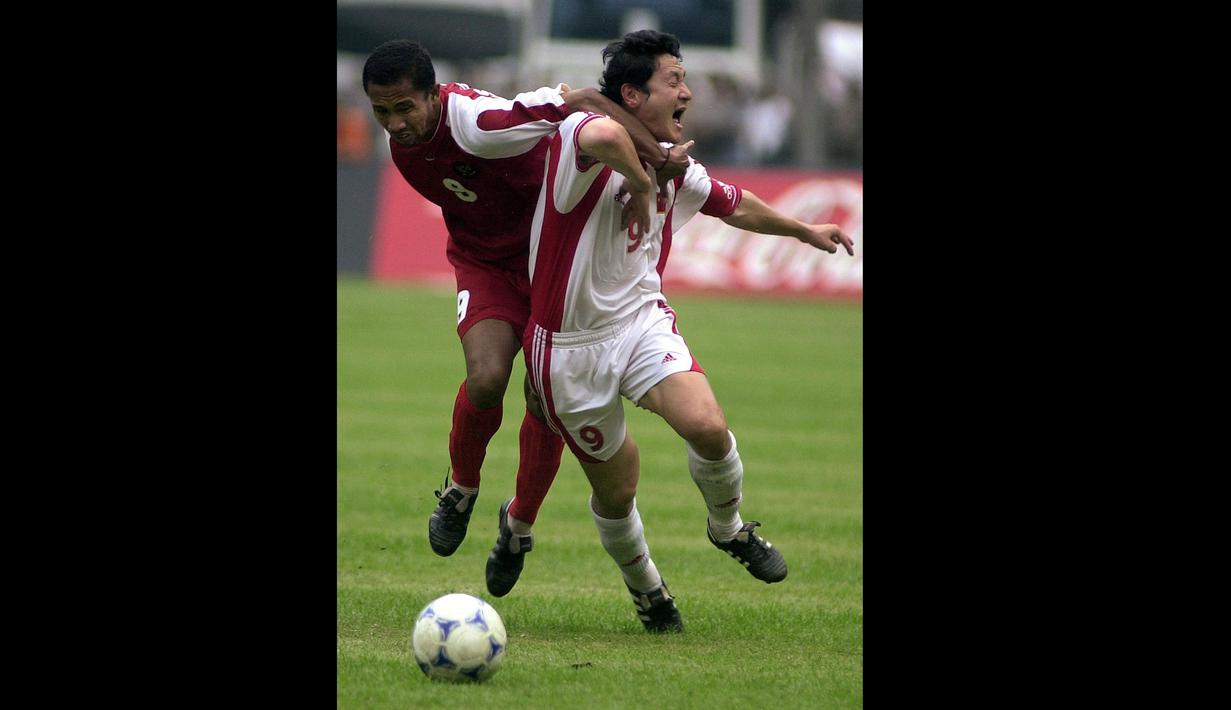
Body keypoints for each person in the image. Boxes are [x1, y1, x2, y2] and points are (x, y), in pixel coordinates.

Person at [519, 30, 854, 632]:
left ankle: (729, 529)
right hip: (567, 348)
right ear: (631, 93)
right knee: (618, 493)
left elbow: (734, 202)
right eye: (674, 82)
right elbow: (595, 126)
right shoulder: (578, 141)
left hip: (640, 321)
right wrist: (646, 177)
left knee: (708, 426)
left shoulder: (676, 162)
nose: (688, 93)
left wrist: (804, 230)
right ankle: (649, 591)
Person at [360, 40, 694, 594]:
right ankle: (462, 489)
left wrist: (654, 162)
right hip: (485, 265)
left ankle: (518, 524)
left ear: (434, 96)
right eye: (381, 112)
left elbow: (584, 99)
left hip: (550, 265)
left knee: (545, 399)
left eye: (404, 108)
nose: (395, 123)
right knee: (487, 377)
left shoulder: (481, 123)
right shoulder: (407, 142)